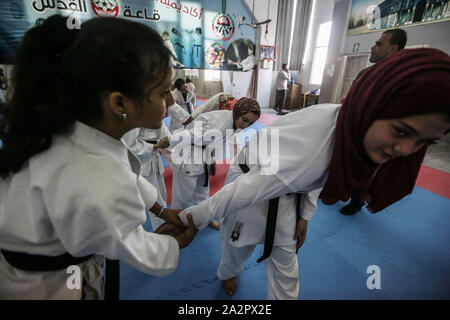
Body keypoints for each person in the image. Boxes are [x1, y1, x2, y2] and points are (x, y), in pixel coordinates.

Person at [175, 48, 450, 299]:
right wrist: (190, 218)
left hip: (287, 196)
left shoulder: (344, 126)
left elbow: (314, 177)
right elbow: (244, 191)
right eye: (401, 131)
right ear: (371, 105)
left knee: (286, 262)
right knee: (237, 246)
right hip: (251, 188)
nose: (407, 150)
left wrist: (305, 216)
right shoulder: (313, 150)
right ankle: (228, 273)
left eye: (424, 141)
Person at [0, 15, 197, 300]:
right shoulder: (98, 176)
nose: (171, 101)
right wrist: (175, 243)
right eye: (164, 91)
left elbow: (125, 175)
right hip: (46, 286)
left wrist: (160, 209)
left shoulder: (68, 126)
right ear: (119, 103)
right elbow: (135, 247)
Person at [340, 28, 407, 216]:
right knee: (344, 163)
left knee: (364, 170)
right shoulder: (364, 73)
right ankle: (340, 190)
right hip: (353, 129)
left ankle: (357, 201)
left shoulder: (399, 78)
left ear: (393, 49)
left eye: (379, 44)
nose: (373, 47)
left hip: (375, 135)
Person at [170, 98, 261, 229]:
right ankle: (177, 224)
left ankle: (203, 220)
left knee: (203, 191)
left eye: (251, 123)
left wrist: (211, 160)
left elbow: (215, 142)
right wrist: (168, 141)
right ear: (238, 112)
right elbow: (187, 135)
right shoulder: (220, 124)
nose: (246, 125)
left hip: (203, 154)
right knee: (183, 195)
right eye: (245, 120)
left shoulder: (233, 121)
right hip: (187, 155)